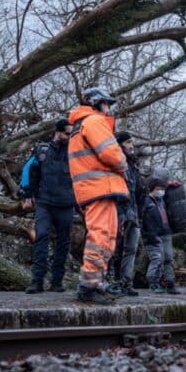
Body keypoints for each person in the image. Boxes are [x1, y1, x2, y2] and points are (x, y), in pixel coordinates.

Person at [68, 88, 128, 305]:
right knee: (101, 236)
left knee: (107, 236)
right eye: (106, 103)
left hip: (97, 188)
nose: (108, 108)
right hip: (98, 187)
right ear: (97, 103)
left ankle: (97, 282)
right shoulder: (93, 122)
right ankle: (89, 285)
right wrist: (124, 163)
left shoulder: (82, 124)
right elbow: (111, 153)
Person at [19, 119, 76, 294]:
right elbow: (29, 171)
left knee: (63, 243)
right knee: (41, 237)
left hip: (67, 203)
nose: (70, 136)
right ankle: (37, 281)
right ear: (58, 132)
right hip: (45, 203)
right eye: (67, 133)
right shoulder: (42, 150)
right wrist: (28, 194)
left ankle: (57, 282)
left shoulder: (75, 152)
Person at [108, 131, 143, 296]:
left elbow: (138, 192)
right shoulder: (115, 164)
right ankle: (112, 282)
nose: (131, 146)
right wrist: (121, 213)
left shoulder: (133, 165)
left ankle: (126, 283)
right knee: (114, 249)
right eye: (128, 142)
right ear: (120, 144)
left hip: (133, 213)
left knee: (130, 249)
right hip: (119, 212)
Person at [141, 177, 181, 294]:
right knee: (157, 259)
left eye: (162, 189)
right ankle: (153, 283)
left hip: (166, 232)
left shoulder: (162, 201)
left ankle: (170, 283)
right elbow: (145, 221)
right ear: (152, 189)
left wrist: (170, 184)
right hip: (153, 235)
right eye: (158, 189)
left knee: (169, 259)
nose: (161, 191)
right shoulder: (146, 202)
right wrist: (150, 235)